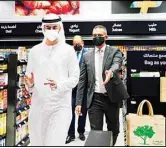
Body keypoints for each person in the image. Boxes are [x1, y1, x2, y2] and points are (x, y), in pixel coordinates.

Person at [24, 14, 80, 146]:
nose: (51, 30)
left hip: (60, 106)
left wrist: (59, 85)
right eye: (48, 27)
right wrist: (30, 84)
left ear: (60, 28)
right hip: (39, 107)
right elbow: (29, 80)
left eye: (54, 27)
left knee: (54, 143)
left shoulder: (68, 51)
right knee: (38, 143)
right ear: (43, 28)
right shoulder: (34, 51)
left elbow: (75, 78)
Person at [75, 25, 129, 146]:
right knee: (96, 132)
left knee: (114, 129)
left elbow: (117, 63)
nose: (97, 37)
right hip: (94, 99)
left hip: (111, 98)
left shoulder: (115, 51)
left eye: (100, 35)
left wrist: (111, 72)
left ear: (106, 37)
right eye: (94, 36)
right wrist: (78, 103)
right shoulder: (86, 56)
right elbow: (82, 80)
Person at [66, 35, 88, 144]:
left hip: (83, 88)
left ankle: (81, 131)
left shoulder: (87, 54)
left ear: (83, 43)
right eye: (74, 44)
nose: (76, 45)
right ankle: (71, 134)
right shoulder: (70, 55)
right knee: (70, 110)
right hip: (71, 88)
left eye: (78, 44)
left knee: (82, 110)